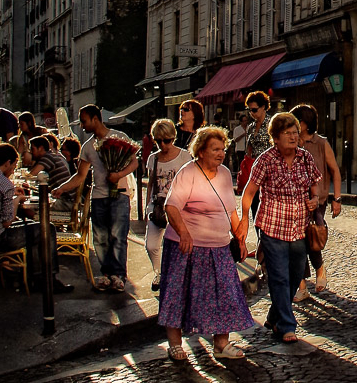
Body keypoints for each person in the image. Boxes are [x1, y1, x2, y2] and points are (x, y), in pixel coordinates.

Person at [159, 126, 255, 361]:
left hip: (219, 247)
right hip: (187, 247)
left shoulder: (223, 173)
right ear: (200, 151)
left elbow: (229, 209)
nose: (221, 153)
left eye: (223, 149)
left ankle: (221, 345)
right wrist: (184, 233)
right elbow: (171, 207)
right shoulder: (188, 172)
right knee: (178, 294)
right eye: (215, 149)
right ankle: (175, 344)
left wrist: (240, 238)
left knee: (226, 295)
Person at [239, 112, 321, 344]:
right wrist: (244, 218)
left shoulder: (305, 158)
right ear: (275, 137)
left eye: (295, 132)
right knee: (279, 277)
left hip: (298, 228)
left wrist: (314, 200)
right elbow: (250, 191)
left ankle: (274, 317)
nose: (293, 137)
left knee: (296, 275)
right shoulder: (265, 159)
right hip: (273, 227)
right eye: (287, 133)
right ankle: (287, 325)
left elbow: (315, 185)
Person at [0, 142, 72, 293]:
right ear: (8, 163)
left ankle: (30, 276)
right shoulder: (4, 183)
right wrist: (16, 200)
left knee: (31, 227)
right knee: (46, 229)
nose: (13, 169)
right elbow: (7, 221)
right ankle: (47, 279)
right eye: (13, 166)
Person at [51, 104, 137, 292]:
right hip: (99, 196)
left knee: (118, 236)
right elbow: (81, 175)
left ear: (95, 119)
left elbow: (134, 162)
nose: (82, 126)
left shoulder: (118, 137)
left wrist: (119, 174)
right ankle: (107, 274)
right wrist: (62, 188)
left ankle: (119, 275)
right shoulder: (88, 146)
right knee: (100, 237)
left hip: (120, 195)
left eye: (84, 121)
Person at [291, 104, 342, 302]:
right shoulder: (292, 142)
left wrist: (336, 199)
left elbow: (335, 171)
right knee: (297, 245)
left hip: (317, 201)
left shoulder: (321, 143)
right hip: (295, 200)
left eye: (297, 121)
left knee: (313, 240)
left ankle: (320, 269)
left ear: (304, 123)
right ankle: (301, 285)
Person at [145, 118, 192, 292]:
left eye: (167, 140)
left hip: (179, 206)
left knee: (180, 245)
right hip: (158, 205)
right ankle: (159, 273)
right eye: (158, 141)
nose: (163, 145)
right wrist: (147, 206)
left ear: (173, 138)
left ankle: (177, 279)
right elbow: (150, 182)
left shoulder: (184, 156)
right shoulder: (153, 158)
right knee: (151, 245)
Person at [239, 91, 273, 222]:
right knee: (254, 207)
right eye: (250, 110)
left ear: (263, 106)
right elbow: (249, 149)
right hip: (254, 171)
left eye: (254, 109)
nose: (252, 113)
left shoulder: (272, 124)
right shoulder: (251, 127)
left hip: (269, 172)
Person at [27, 136, 75, 214]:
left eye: (32, 149)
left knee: (31, 210)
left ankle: (41, 225)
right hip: (69, 200)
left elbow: (31, 175)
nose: (31, 152)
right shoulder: (53, 155)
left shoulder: (47, 158)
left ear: (41, 148)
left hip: (66, 202)